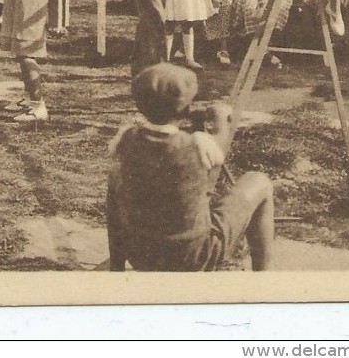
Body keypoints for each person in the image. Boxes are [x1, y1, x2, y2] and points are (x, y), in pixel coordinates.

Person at [107, 63, 275, 271]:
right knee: (259, 182)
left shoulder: (125, 140)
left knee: (116, 178)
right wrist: (221, 118)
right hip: (193, 256)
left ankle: (116, 265)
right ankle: (263, 276)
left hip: (142, 254)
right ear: (186, 107)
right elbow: (219, 149)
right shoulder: (195, 145)